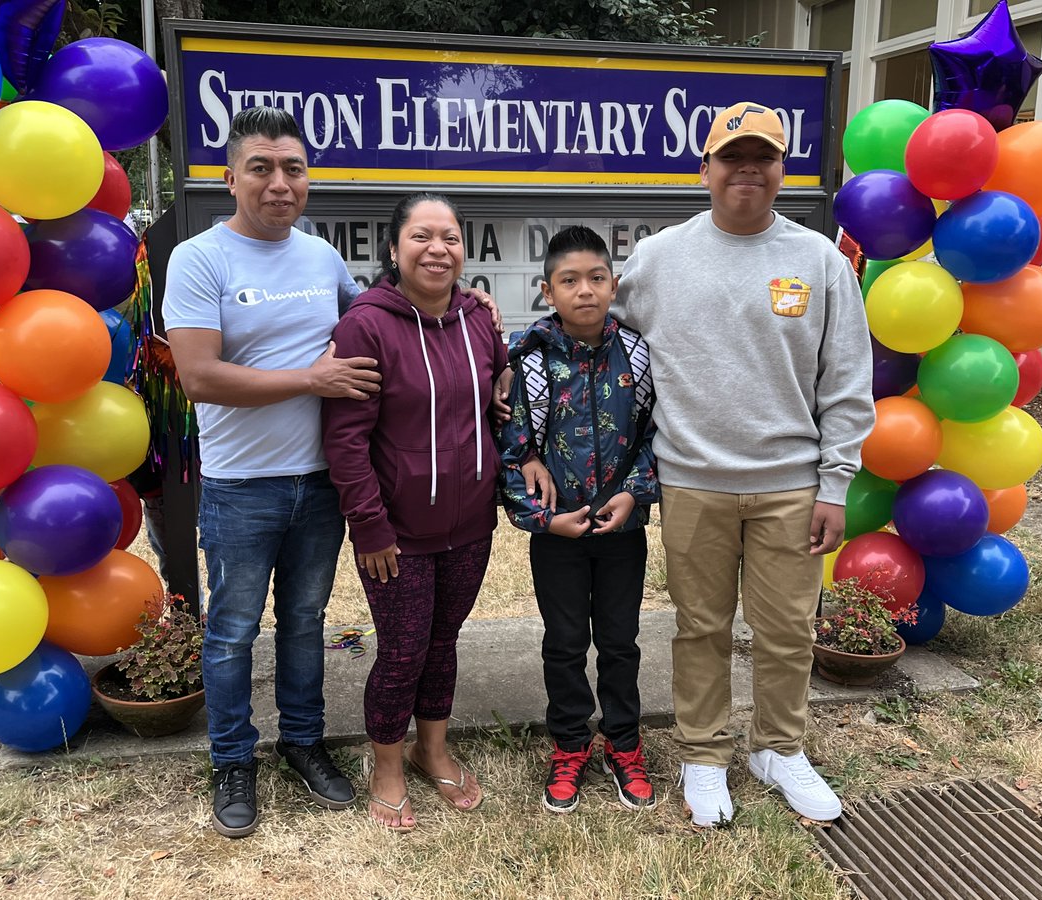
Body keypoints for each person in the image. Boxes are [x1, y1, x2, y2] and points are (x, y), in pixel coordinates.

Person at [611, 101, 874, 826]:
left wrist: (835, 482)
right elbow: (606, 346)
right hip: (693, 480)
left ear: (783, 171)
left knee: (788, 628)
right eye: (733, 157)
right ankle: (702, 754)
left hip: (790, 486)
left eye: (764, 157)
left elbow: (847, 381)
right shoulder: (659, 259)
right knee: (702, 627)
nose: (747, 170)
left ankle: (778, 749)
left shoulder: (820, 262)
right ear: (705, 169)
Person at [163, 106, 382, 838]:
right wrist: (309, 382)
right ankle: (232, 759)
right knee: (230, 632)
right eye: (261, 167)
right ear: (230, 178)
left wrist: (460, 300)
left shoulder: (320, 257)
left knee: (303, 624)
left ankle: (302, 743)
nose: (279, 182)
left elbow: (374, 318)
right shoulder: (200, 258)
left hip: (320, 483)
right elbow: (198, 377)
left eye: (292, 168)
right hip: (239, 488)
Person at [322, 192, 508, 832]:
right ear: (395, 249)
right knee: (402, 649)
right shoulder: (365, 325)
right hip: (395, 531)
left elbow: (497, 394)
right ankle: (388, 764)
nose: (438, 249)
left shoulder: (479, 318)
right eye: (422, 237)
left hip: (470, 524)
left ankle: (433, 748)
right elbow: (345, 439)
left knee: (442, 640)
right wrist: (369, 525)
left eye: (451, 237)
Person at [498, 226, 661, 814]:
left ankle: (624, 741)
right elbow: (511, 449)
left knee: (621, 641)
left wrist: (637, 494)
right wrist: (543, 521)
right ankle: (569, 743)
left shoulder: (640, 355)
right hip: (559, 535)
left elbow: (658, 437)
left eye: (597, 278)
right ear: (547, 291)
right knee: (564, 643)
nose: (585, 291)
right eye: (569, 280)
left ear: (614, 285)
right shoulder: (529, 360)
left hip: (623, 530)